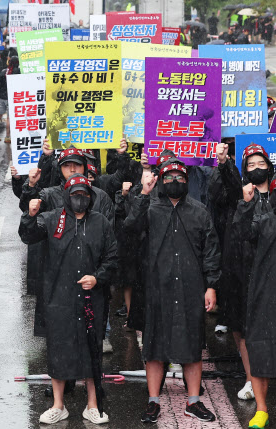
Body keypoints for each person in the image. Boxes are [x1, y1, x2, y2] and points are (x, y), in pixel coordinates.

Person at [124, 160, 220, 423]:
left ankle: (193, 401)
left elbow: (211, 251)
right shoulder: (150, 209)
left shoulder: (199, 212)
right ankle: (153, 401)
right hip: (156, 289)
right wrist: (144, 193)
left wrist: (211, 285)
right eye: (168, 177)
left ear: (187, 180)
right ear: (160, 181)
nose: (174, 181)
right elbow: (129, 229)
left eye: (179, 176)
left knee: (192, 346)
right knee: (154, 348)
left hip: (191, 289)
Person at [19, 174, 117, 424]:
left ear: (90, 196)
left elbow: (112, 258)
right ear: (66, 196)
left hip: (92, 299)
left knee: (91, 349)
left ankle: (93, 405)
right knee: (58, 350)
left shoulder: (101, 223)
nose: (79, 199)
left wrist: (97, 278)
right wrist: (30, 215)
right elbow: (28, 236)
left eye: (84, 194)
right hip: (58, 297)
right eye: (75, 194)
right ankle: (58, 404)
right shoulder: (53, 219)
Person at [210, 144, 273, 401]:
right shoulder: (238, 194)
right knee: (241, 327)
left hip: (269, 273)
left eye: (261, 164)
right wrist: (224, 162)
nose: (256, 169)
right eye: (250, 165)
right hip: (238, 269)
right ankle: (250, 378)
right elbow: (229, 181)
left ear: (269, 167)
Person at [234, 179, 276, 429]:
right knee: (261, 350)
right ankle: (262, 409)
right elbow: (242, 233)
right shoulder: (265, 219)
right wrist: (246, 204)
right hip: (265, 293)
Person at [0, 56, 20, 143]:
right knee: (9, 118)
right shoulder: (17, 72)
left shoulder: (3, 71)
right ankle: (8, 136)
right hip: (11, 97)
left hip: (1, 97)